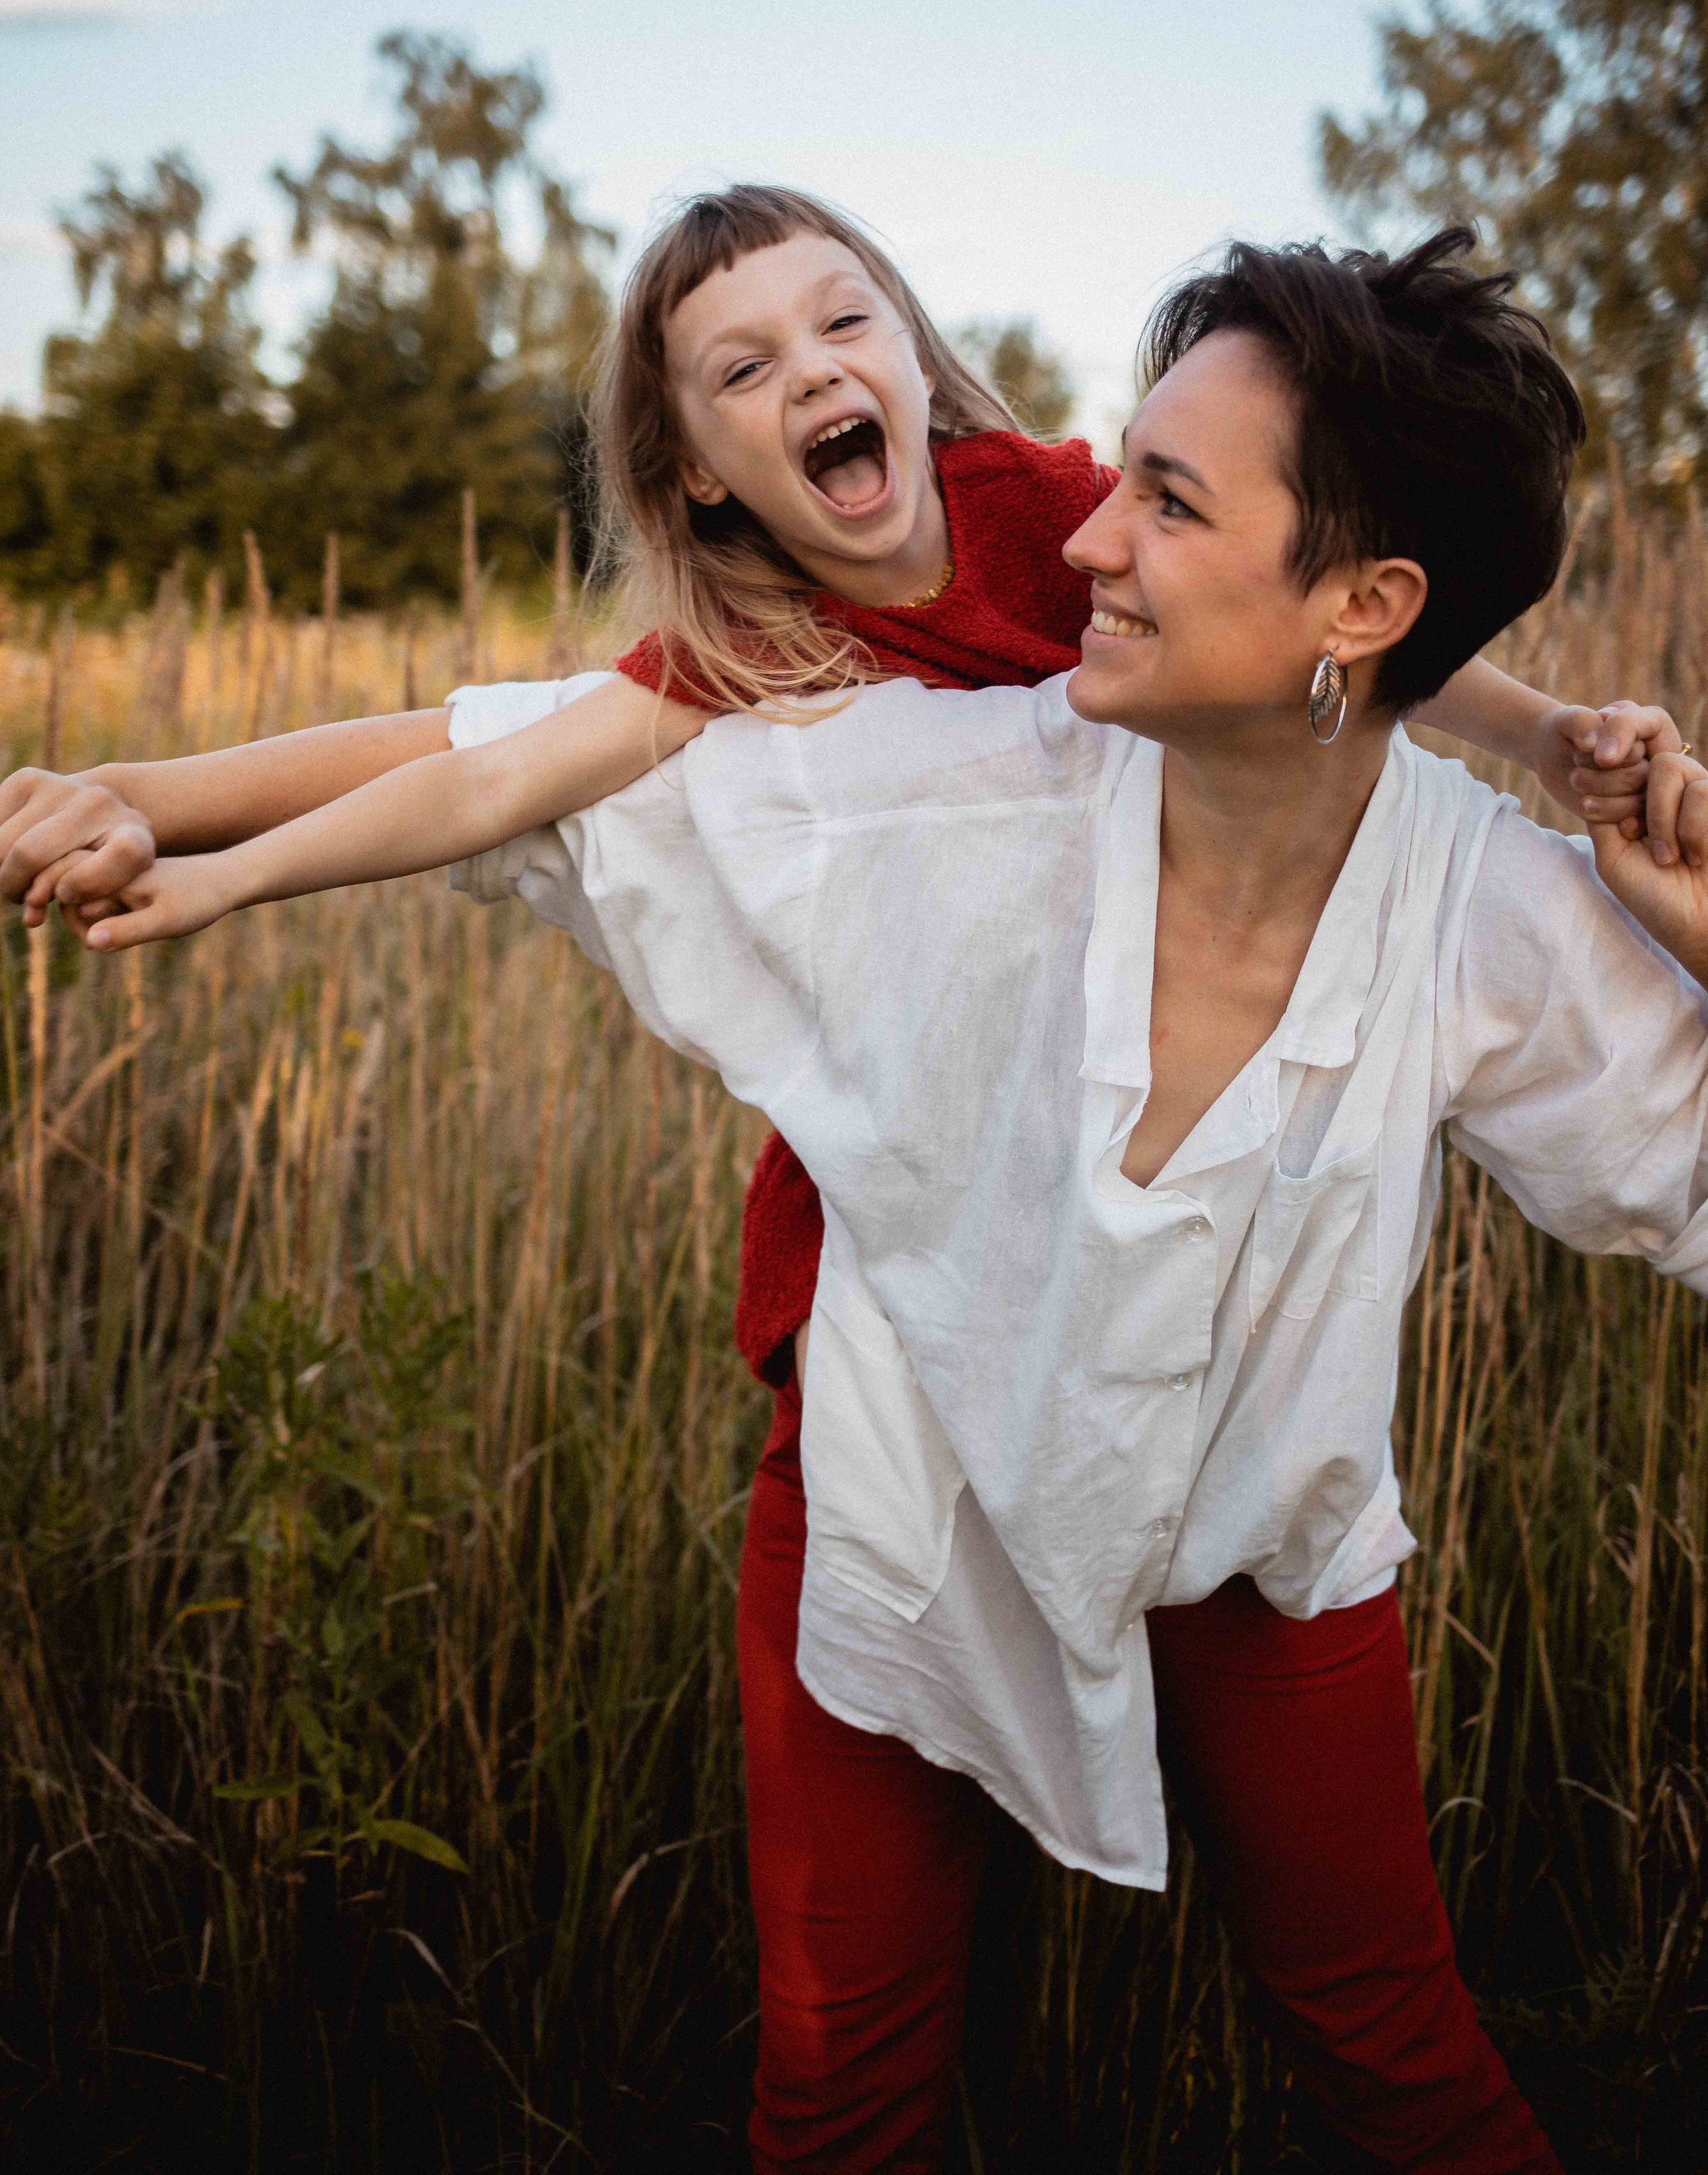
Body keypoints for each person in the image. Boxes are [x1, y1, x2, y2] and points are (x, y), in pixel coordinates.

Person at [52, 230, 1708, 2172]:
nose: (1089, 537)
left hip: (1267, 1534)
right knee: (839, 2098)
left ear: (1363, 605)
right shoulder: (935, 777)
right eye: (1122, 479)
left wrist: (1690, 906)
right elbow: (500, 753)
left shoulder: (1481, 904)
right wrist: (152, 803)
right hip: (893, 1498)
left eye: (1168, 503)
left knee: (1396, 2049)